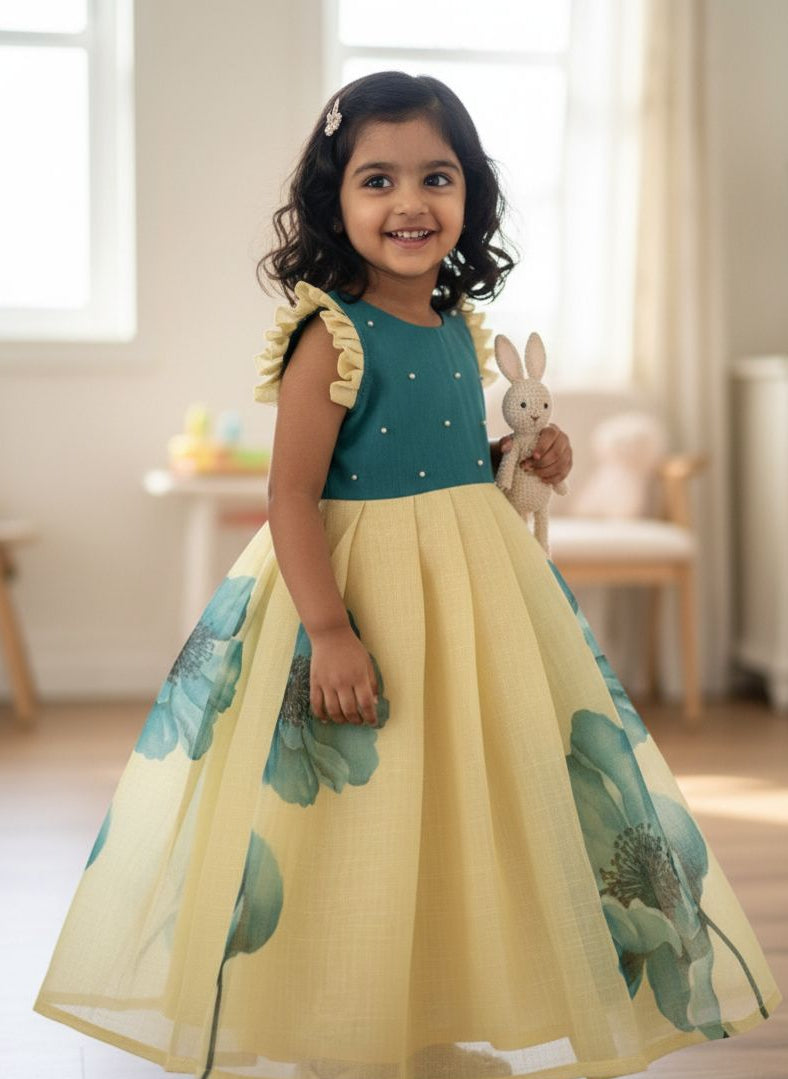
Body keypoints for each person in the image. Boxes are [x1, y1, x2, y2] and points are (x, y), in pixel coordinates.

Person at [33, 71, 780, 1079]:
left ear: (468, 195)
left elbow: (457, 459)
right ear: (334, 202)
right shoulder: (327, 333)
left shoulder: (461, 327)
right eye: (376, 180)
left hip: (470, 602)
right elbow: (291, 494)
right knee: (358, 816)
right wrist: (330, 632)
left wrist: (527, 459)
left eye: (435, 176)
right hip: (362, 600)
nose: (408, 202)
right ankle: (346, 1014)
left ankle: (433, 997)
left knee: (459, 797)